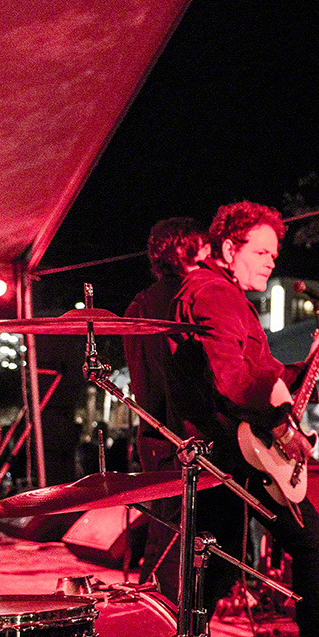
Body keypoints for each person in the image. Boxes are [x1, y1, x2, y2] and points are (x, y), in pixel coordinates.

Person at [164, 202, 319, 637]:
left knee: (216, 567)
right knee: (309, 541)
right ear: (229, 248)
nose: (271, 262)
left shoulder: (219, 294)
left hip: (228, 450)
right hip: (236, 450)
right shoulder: (215, 294)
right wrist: (283, 429)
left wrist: (306, 369)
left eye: (274, 254)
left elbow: (258, 374)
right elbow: (232, 380)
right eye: (262, 252)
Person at [123, 218, 210, 588]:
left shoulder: (138, 305)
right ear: (183, 249)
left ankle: (152, 606)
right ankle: (171, 610)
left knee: (164, 532)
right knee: (186, 537)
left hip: (153, 434)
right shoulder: (191, 299)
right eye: (203, 247)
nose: (210, 256)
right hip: (187, 434)